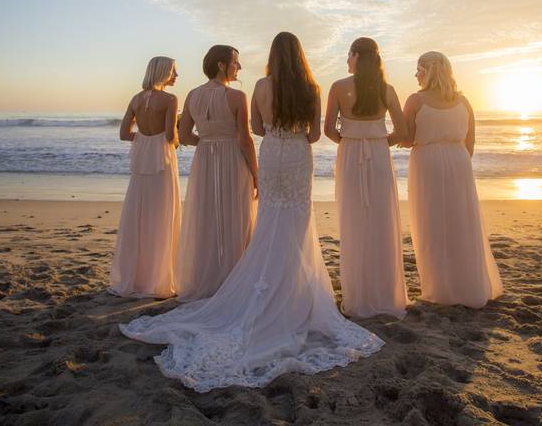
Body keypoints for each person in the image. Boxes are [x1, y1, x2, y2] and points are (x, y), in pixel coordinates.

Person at [120, 33, 382, 392]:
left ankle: (264, 287)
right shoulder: (312, 86)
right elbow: (313, 135)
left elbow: (256, 129)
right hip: (296, 156)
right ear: (301, 56)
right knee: (298, 220)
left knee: (270, 219)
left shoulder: (259, 85)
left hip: (272, 152)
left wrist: (273, 132)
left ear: (273, 56)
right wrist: (296, 135)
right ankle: (294, 292)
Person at [401, 51, 503, 307]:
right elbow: (470, 143)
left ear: (427, 71)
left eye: (418, 69)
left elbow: (406, 139)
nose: (415, 74)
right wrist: (456, 160)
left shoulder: (415, 101)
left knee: (431, 224)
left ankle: (440, 289)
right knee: (461, 223)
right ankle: (468, 284)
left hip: (427, 163)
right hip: (459, 162)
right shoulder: (464, 101)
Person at [324, 37, 409, 319]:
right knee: (381, 221)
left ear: (357, 56)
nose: (347, 60)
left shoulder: (338, 87)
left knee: (354, 221)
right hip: (378, 156)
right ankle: (384, 293)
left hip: (350, 155)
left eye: (348, 55)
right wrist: (380, 141)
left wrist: (349, 140)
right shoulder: (387, 89)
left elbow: (327, 129)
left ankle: (358, 295)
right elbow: (404, 131)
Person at [173, 45, 257, 301]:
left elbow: (184, 135)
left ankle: (207, 278)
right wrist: (256, 174)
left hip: (205, 161)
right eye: (235, 62)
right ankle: (232, 279)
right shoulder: (237, 97)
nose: (239, 67)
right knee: (236, 214)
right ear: (221, 65)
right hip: (232, 158)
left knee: (207, 215)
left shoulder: (192, 95)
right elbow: (245, 140)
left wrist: (208, 143)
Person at [109, 57, 181, 298]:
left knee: (138, 215)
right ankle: (158, 278)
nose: (176, 75)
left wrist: (144, 140)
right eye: (173, 71)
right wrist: (173, 138)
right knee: (162, 215)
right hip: (162, 160)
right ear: (162, 72)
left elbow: (123, 134)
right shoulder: (170, 100)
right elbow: (171, 134)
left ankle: (135, 278)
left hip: (142, 160)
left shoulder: (136, 99)